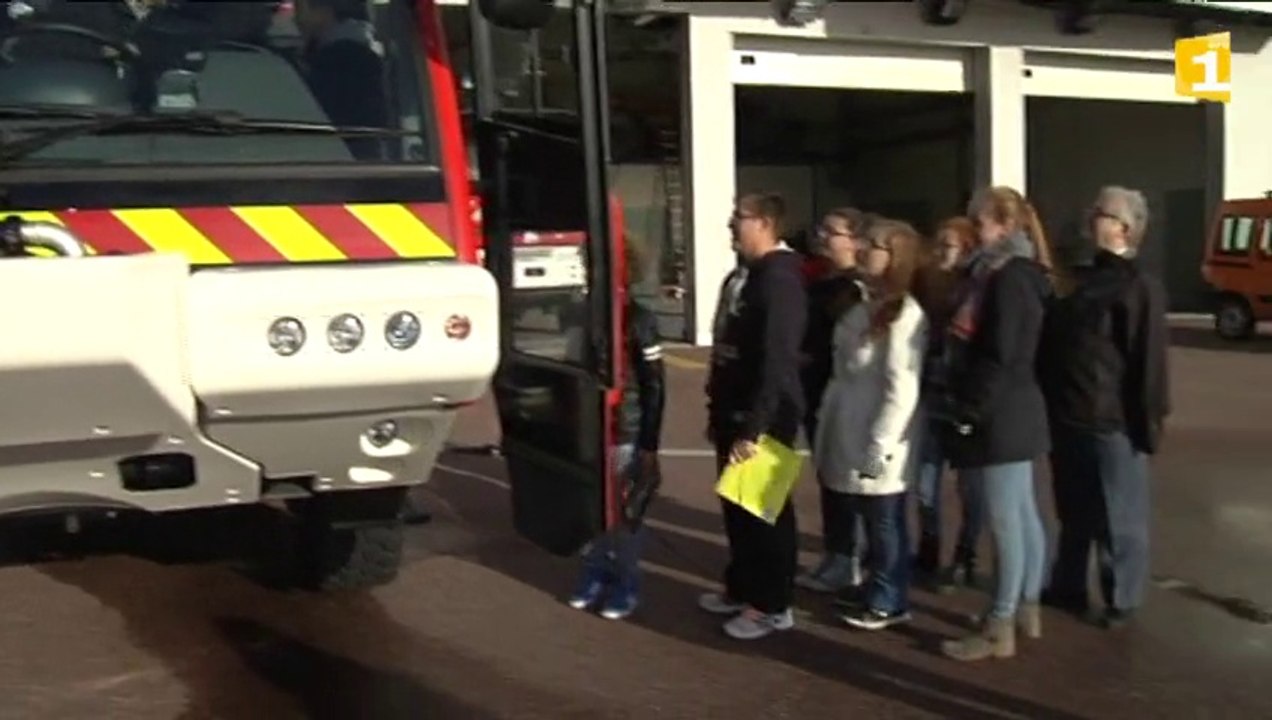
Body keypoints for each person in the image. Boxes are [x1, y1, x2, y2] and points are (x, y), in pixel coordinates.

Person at [1038, 185, 1169, 629]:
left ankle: (1122, 596)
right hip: (1070, 413)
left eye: (1102, 213)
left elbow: (1148, 361)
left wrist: (1147, 423)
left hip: (1111, 419)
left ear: (1125, 227)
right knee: (1074, 509)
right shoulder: (1084, 279)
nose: (1092, 217)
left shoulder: (1137, 286)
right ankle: (1068, 584)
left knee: (1119, 514)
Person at [940, 186, 1055, 662]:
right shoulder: (1027, 275)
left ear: (1004, 227)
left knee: (1006, 519)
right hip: (1020, 407)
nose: (975, 229)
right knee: (1023, 514)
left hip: (1000, 411)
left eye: (981, 222)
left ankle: (1001, 621)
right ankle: (1025, 606)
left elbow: (1000, 353)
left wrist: (970, 407)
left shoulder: (1003, 278)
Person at [701, 193, 808, 641]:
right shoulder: (745, 276)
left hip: (763, 414)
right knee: (738, 507)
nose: (730, 226)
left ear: (764, 223)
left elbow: (777, 362)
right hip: (733, 410)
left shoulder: (780, 282)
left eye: (738, 219)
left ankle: (771, 604)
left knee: (764, 512)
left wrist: (756, 426)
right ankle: (742, 586)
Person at [815, 219, 928, 630]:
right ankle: (870, 584)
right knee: (865, 512)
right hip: (848, 430)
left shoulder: (906, 316)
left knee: (884, 517)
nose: (865, 250)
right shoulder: (865, 307)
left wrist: (880, 445)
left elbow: (902, 391)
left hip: (881, 441)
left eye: (876, 246)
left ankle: (889, 597)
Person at [567, 240, 666, 620]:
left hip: (625, 427)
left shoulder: (640, 319)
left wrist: (649, 443)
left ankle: (626, 581)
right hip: (590, 428)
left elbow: (655, 385)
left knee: (625, 512)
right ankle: (594, 571)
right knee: (590, 508)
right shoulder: (581, 315)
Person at [795, 208, 873, 595]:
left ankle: (851, 557)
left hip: (839, 395)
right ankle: (836, 552)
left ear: (855, 240)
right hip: (814, 392)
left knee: (846, 480)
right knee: (828, 476)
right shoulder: (820, 279)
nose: (824, 236)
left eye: (834, 231)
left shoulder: (856, 290)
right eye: (823, 228)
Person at [911, 216, 984, 593]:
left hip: (962, 405)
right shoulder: (923, 287)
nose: (939, 253)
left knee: (971, 488)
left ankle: (966, 554)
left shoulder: (977, 292)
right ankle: (929, 547)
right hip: (931, 398)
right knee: (924, 485)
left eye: (948, 245)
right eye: (936, 244)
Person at [295, 0, 388, 157]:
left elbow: (315, 116)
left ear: (324, 11)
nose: (296, 19)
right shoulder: (357, 51)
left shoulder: (338, 60)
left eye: (301, 9)